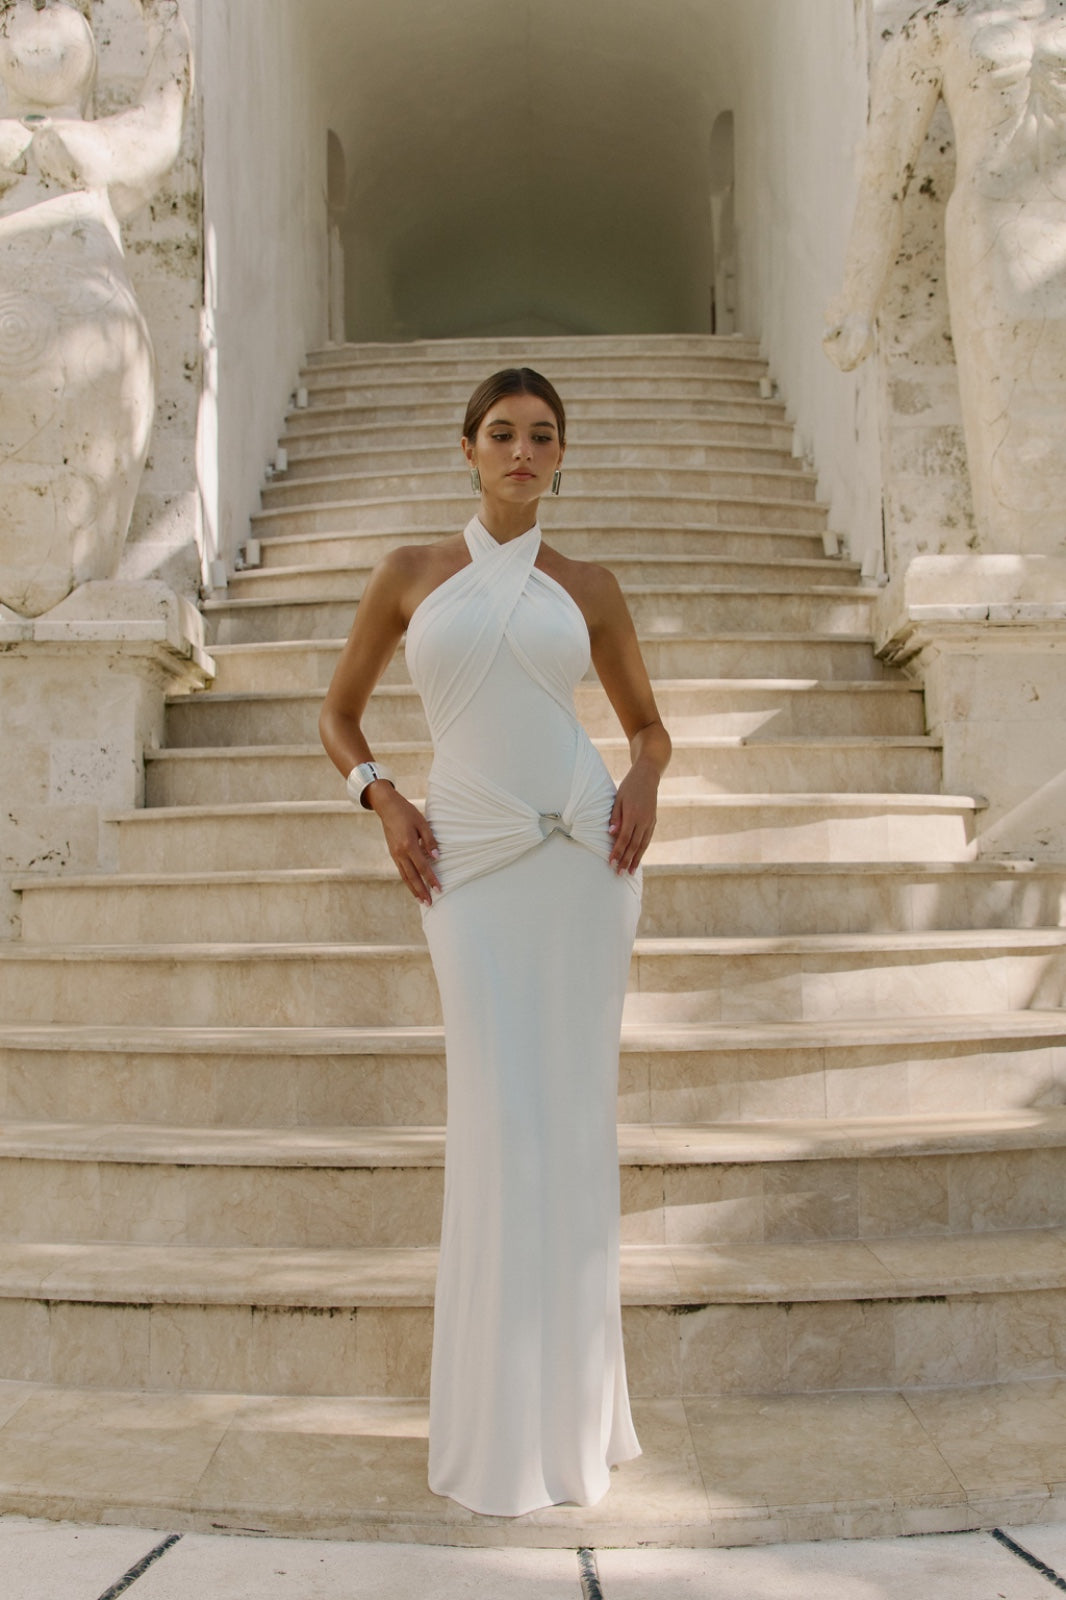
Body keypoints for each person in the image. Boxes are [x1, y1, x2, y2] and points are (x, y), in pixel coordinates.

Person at [319, 366, 671, 1517]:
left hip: (581, 859)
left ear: (563, 457)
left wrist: (646, 782)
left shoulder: (592, 585)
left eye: (544, 436)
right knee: (498, 1116)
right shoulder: (412, 574)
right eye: (503, 433)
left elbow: (648, 725)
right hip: (463, 864)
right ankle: (491, 1425)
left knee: (569, 1122)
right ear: (467, 449)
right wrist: (382, 797)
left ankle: (572, 1423)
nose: (523, 451)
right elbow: (338, 712)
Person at [823, 0, 1066, 553]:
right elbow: (886, 172)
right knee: (1010, 426)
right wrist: (859, 302)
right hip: (994, 238)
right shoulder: (938, 26)